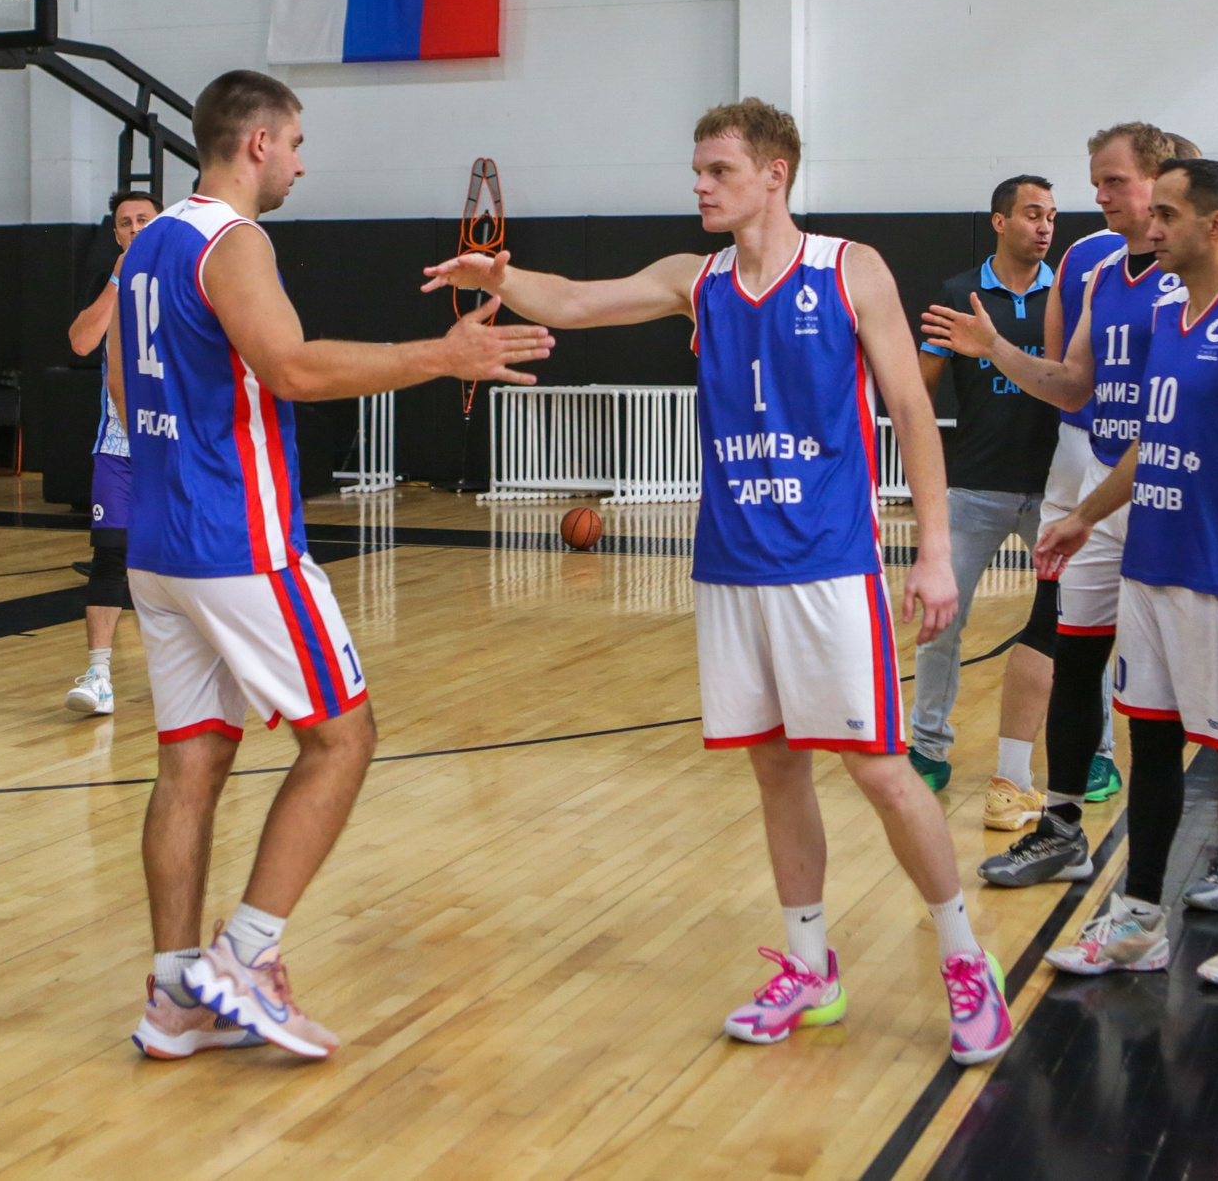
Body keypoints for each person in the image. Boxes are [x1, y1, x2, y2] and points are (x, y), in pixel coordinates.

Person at [426, 98, 1017, 1063]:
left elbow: (912, 410)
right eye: (697, 169)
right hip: (731, 566)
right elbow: (575, 300)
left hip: (829, 563)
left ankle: (964, 958)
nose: (699, 184)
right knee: (776, 766)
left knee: (878, 768)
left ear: (774, 174)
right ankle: (810, 967)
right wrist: (502, 278)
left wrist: (937, 550)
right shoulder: (693, 279)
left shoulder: (848, 268)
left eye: (718, 170)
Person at [117, 70, 551, 1062]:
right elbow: (294, 368)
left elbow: (121, 384)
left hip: (159, 545)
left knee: (191, 761)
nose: (302, 163)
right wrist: (438, 357)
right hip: (237, 541)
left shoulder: (146, 245)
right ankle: (246, 955)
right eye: (297, 143)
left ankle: (175, 998)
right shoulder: (232, 241)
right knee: (344, 739)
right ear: (257, 143)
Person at [1032, 158, 1218, 987]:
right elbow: (1150, 442)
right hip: (1150, 560)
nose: (1150, 227)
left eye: (1166, 213)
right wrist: (1086, 515)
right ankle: (1138, 920)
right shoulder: (1166, 310)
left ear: (1215, 223)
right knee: (1151, 742)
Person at [935, 122, 1187, 889]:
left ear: (1161, 181)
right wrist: (995, 348)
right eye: (1096, 180)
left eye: (1113, 180)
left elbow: (1187, 416)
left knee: (1176, 682)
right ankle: (1060, 826)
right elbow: (1072, 384)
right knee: (1071, 649)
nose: (1097, 195)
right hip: (1096, 474)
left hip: (1176, 491)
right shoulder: (1099, 270)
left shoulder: (1207, 276)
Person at [906, 174, 1059, 807]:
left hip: (1056, 492)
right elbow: (919, 388)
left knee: (1078, 628)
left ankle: (1098, 752)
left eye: (1051, 216)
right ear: (1000, 221)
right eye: (1032, 214)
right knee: (941, 621)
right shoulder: (957, 293)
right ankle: (927, 745)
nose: (1045, 227)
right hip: (973, 487)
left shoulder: (1068, 292)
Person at [61, 187, 160, 716]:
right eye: (126, 223)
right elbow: (80, 342)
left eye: (144, 219)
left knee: (181, 560)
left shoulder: (189, 277)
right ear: (117, 234)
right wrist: (119, 280)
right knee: (110, 556)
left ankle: (199, 668)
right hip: (119, 446)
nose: (136, 228)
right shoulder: (111, 281)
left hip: (171, 443)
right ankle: (99, 676)